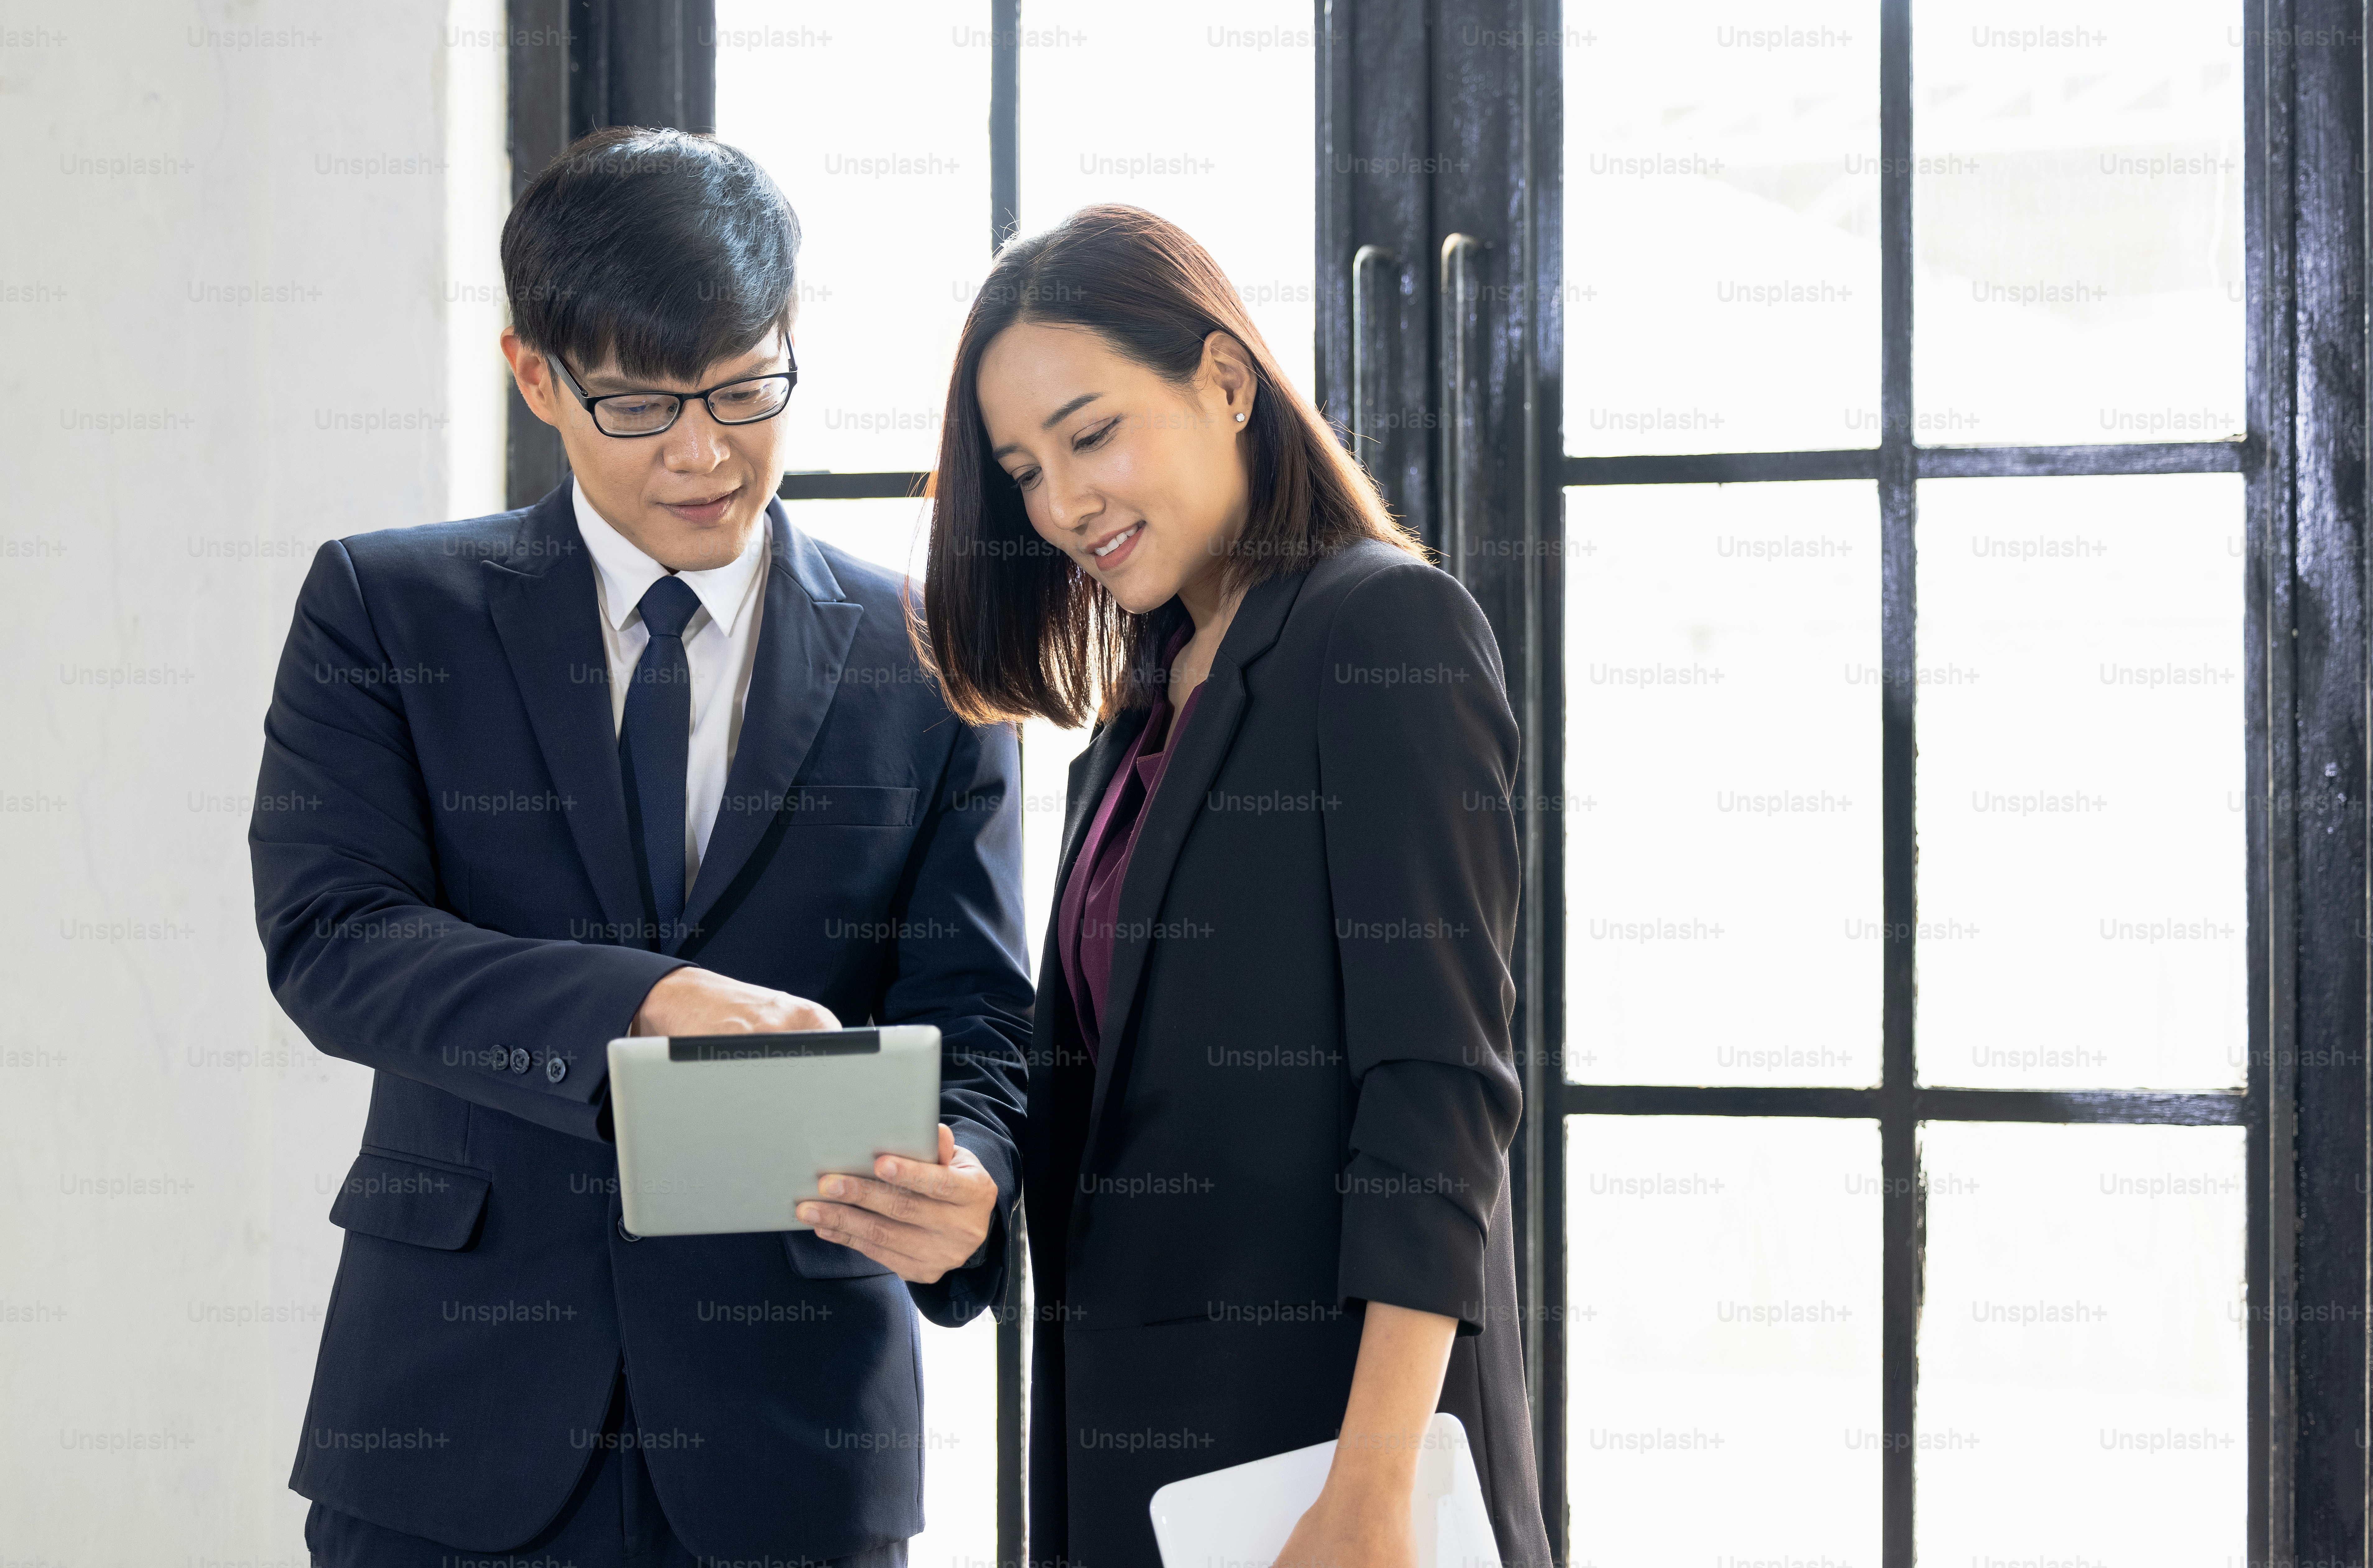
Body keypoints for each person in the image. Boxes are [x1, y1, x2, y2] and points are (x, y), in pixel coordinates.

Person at [248, 126, 1032, 1567]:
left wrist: (970, 1176)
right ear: (535, 375)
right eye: (641, 403)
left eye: (745, 388)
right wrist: (639, 1006)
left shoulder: (926, 655)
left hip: (793, 1434)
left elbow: (976, 1012)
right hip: (447, 1421)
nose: (704, 450)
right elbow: (332, 940)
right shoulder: (385, 612)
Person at [922, 204, 1555, 1568]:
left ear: (1223, 379)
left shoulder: (1379, 627)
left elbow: (1437, 1087)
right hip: (1134, 1463)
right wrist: (955, 1193)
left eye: (1091, 434)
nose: (1062, 502)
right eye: (1024, 470)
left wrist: (1371, 1487)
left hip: (1323, 1465)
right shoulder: (1135, 718)